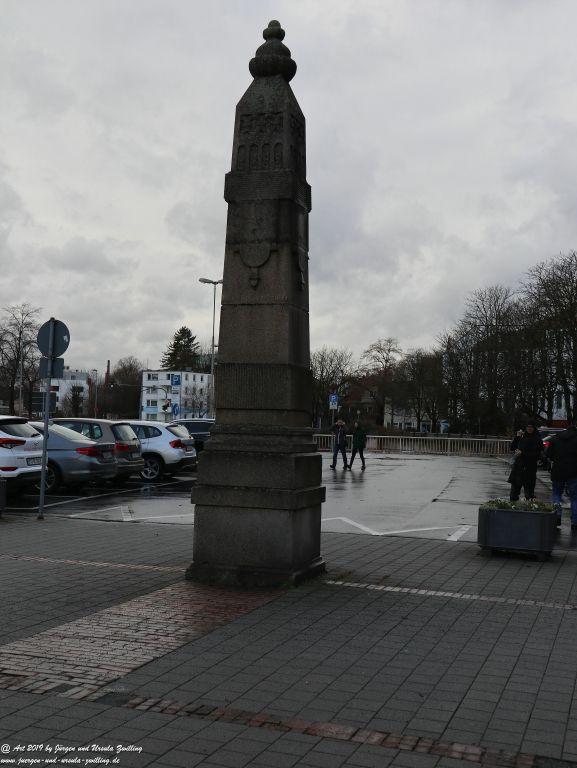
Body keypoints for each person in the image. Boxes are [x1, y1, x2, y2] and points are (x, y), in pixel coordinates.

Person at [545, 418, 577, 529]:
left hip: (558, 470)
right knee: (574, 497)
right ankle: (575, 522)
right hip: (574, 472)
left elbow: (548, 454)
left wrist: (556, 459)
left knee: (556, 495)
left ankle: (557, 516)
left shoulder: (556, 437)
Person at [508, 422, 543, 501]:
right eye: (528, 427)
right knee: (514, 493)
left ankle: (529, 508)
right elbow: (512, 447)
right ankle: (513, 507)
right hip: (518, 468)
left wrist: (523, 453)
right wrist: (517, 437)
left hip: (530, 469)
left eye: (531, 427)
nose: (529, 429)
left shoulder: (537, 439)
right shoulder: (522, 437)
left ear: (534, 428)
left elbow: (537, 455)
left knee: (529, 494)